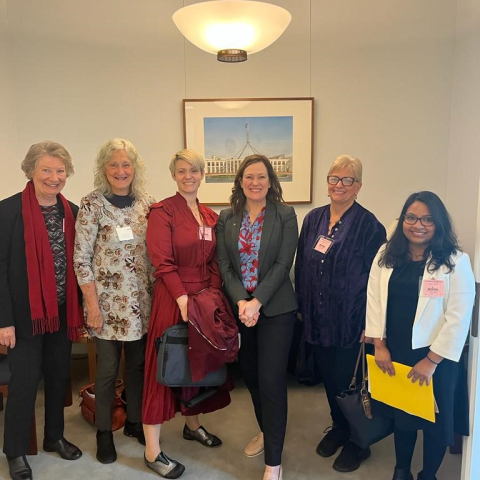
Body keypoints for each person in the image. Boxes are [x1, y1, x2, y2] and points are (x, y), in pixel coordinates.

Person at [365, 191, 475, 480]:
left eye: (427, 219)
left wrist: (432, 360)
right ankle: (401, 470)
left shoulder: (455, 261)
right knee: (404, 415)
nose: (418, 224)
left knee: (435, 421)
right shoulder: (385, 254)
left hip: (436, 355)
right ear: (402, 220)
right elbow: (374, 300)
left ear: (438, 223)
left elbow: (458, 316)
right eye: (411, 217)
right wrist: (380, 344)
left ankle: (428, 474)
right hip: (396, 349)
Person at [143, 149, 237, 479]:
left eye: (194, 170)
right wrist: (183, 298)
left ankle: (192, 425)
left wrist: (209, 295)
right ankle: (152, 450)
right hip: (173, 296)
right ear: (173, 175)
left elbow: (215, 261)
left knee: (198, 363)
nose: (188, 176)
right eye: (182, 170)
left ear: (203, 175)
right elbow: (161, 261)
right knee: (166, 363)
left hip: (205, 297)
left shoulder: (211, 216)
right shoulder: (162, 211)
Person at [295, 155, 386, 473]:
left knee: (352, 382)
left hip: (352, 320)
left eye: (348, 180)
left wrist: (372, 324)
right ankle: (339, 427)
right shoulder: (313, 219)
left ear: (358, 186)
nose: (339, 185)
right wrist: (302, 308)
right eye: (334, 178)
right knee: (330, 380)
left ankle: (359, 442)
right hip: (318, 319)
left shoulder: (370, 225)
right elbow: (302, 266)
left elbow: (378, 280)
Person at [0, 141, 83, 480]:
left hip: (63, 313)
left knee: (58, 376)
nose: (54, 177)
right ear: (31, 171)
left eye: (60, 170)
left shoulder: (73, 212)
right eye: (46, 170)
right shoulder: (7, 212)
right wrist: (3, 321)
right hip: (23, 316)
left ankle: (54, 437)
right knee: (24, 382)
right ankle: (15, 450)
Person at [74, 138, 155, 464]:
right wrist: (91, 306)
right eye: (113, 164)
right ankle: (104, 432)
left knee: (137, 367)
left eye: (126, 164)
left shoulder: (148, 203)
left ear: (134, 168)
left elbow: (155, 254)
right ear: (104, 169)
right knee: (107, 372)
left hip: (141, 305)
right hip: (105, 307)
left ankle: (134, 421)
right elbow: (81, 258)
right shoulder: (92, 204)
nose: (120, 171)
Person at [217, 154, 298, 480]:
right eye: (249, 176)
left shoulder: (285, 214)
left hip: (275, 309)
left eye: (261, 177)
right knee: (250, 374)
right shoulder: (227, 217)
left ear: (270, 181)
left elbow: (283, 263)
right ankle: (267, 432)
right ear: (240, 181)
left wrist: (257, 301)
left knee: (271, 381)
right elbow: (225, 265)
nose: (255, 182)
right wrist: (241, 301)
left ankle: (274, 463)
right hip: (242, 311)